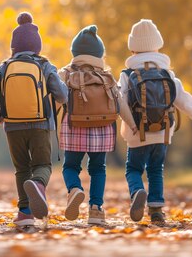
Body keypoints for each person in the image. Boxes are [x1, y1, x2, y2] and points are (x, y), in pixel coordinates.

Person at [120, 19, 192, 225]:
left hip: (137, 133)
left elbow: (121, 102)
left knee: (133, 169)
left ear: (132, 47)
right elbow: (183, 99)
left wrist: (131, 125)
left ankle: (137, 192)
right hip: (162, 132)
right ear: (157, 45)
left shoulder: (127, 75)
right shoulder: (167, 73)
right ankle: (156, 211)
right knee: (155, 169)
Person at [0, 12, 68, 227]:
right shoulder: (44, 65)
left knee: (22, 169)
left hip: (13, 126)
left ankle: (24, 214)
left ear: (14, 46)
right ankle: (38, 185)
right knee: (42, 165)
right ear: (37, 46)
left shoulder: (5, 66)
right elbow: (62, 95)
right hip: (40, 124)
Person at [58, 25, 137, 225]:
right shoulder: (107, 77)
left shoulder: (66, 74)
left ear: (74, 52)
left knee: (70, 166)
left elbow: (54, 98)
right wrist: (133, 125)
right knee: (98, 168)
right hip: (102, 130)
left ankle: (75, 189)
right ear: (99, 53)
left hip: (74, 127)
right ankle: (96, 209)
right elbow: (120, 104)